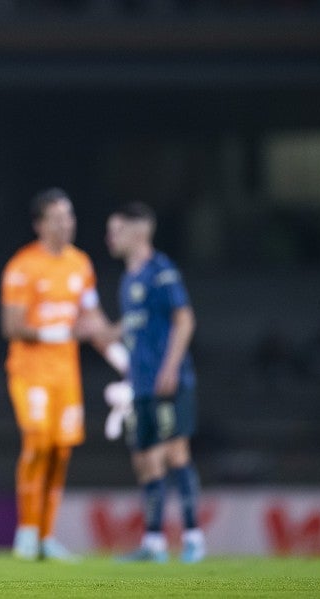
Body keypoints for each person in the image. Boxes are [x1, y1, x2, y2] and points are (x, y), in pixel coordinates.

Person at [0, 188, 129, 561]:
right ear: (40, 224)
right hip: (30, 371)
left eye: (69, 216)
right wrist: (65, 333)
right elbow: (11, 326)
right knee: (38, 441)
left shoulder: (80, 264)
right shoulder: (22, 266)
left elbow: (92, 319)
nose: (65, 224)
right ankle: (26, 531)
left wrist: (122, 358)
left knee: (61, 451)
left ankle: (45, 536)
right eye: (56, 218)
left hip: (65, 373)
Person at [105, 202, 205, 563]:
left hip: (168, 382)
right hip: (142, 386)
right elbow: (132, 326)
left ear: (138, 231)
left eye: (116, 230)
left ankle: (194, 537)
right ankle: (154, 542)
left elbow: (185, 319)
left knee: (176, 453)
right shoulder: (129, 278)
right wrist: (99, 330)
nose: (109, 237)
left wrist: (170, 368)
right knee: (144, 460)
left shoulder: (162, 271)